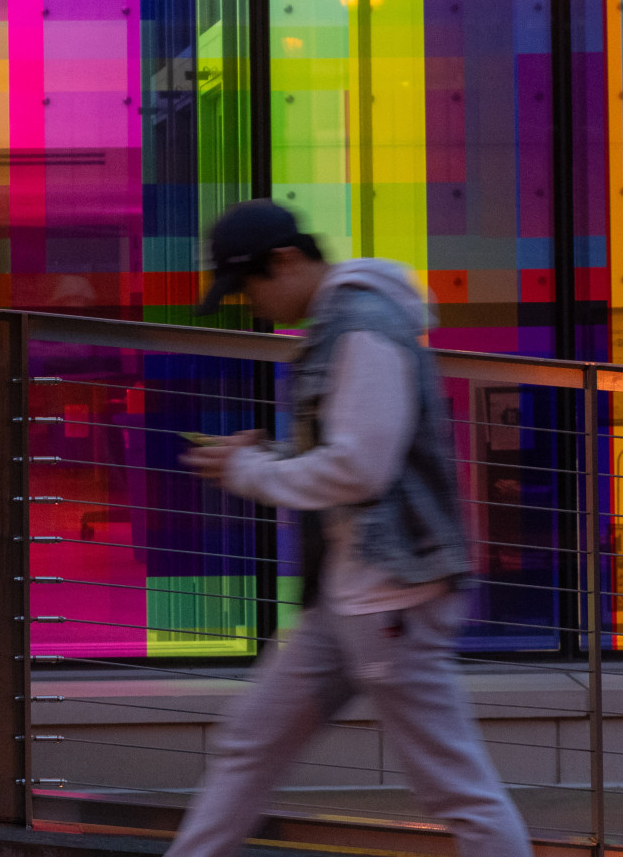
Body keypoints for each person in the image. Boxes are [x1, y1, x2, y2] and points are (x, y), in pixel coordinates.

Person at [166, 200, 532, 857]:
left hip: (392, 599)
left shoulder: (362, 328)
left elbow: (359, 470)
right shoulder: (340, 323)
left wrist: (253, 472)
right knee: (250, 744)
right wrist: (264, 458)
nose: (251, 304)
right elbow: (352, 457)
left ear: (285, 261)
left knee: (457, 792)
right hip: (351, 593)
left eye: (249, 286)